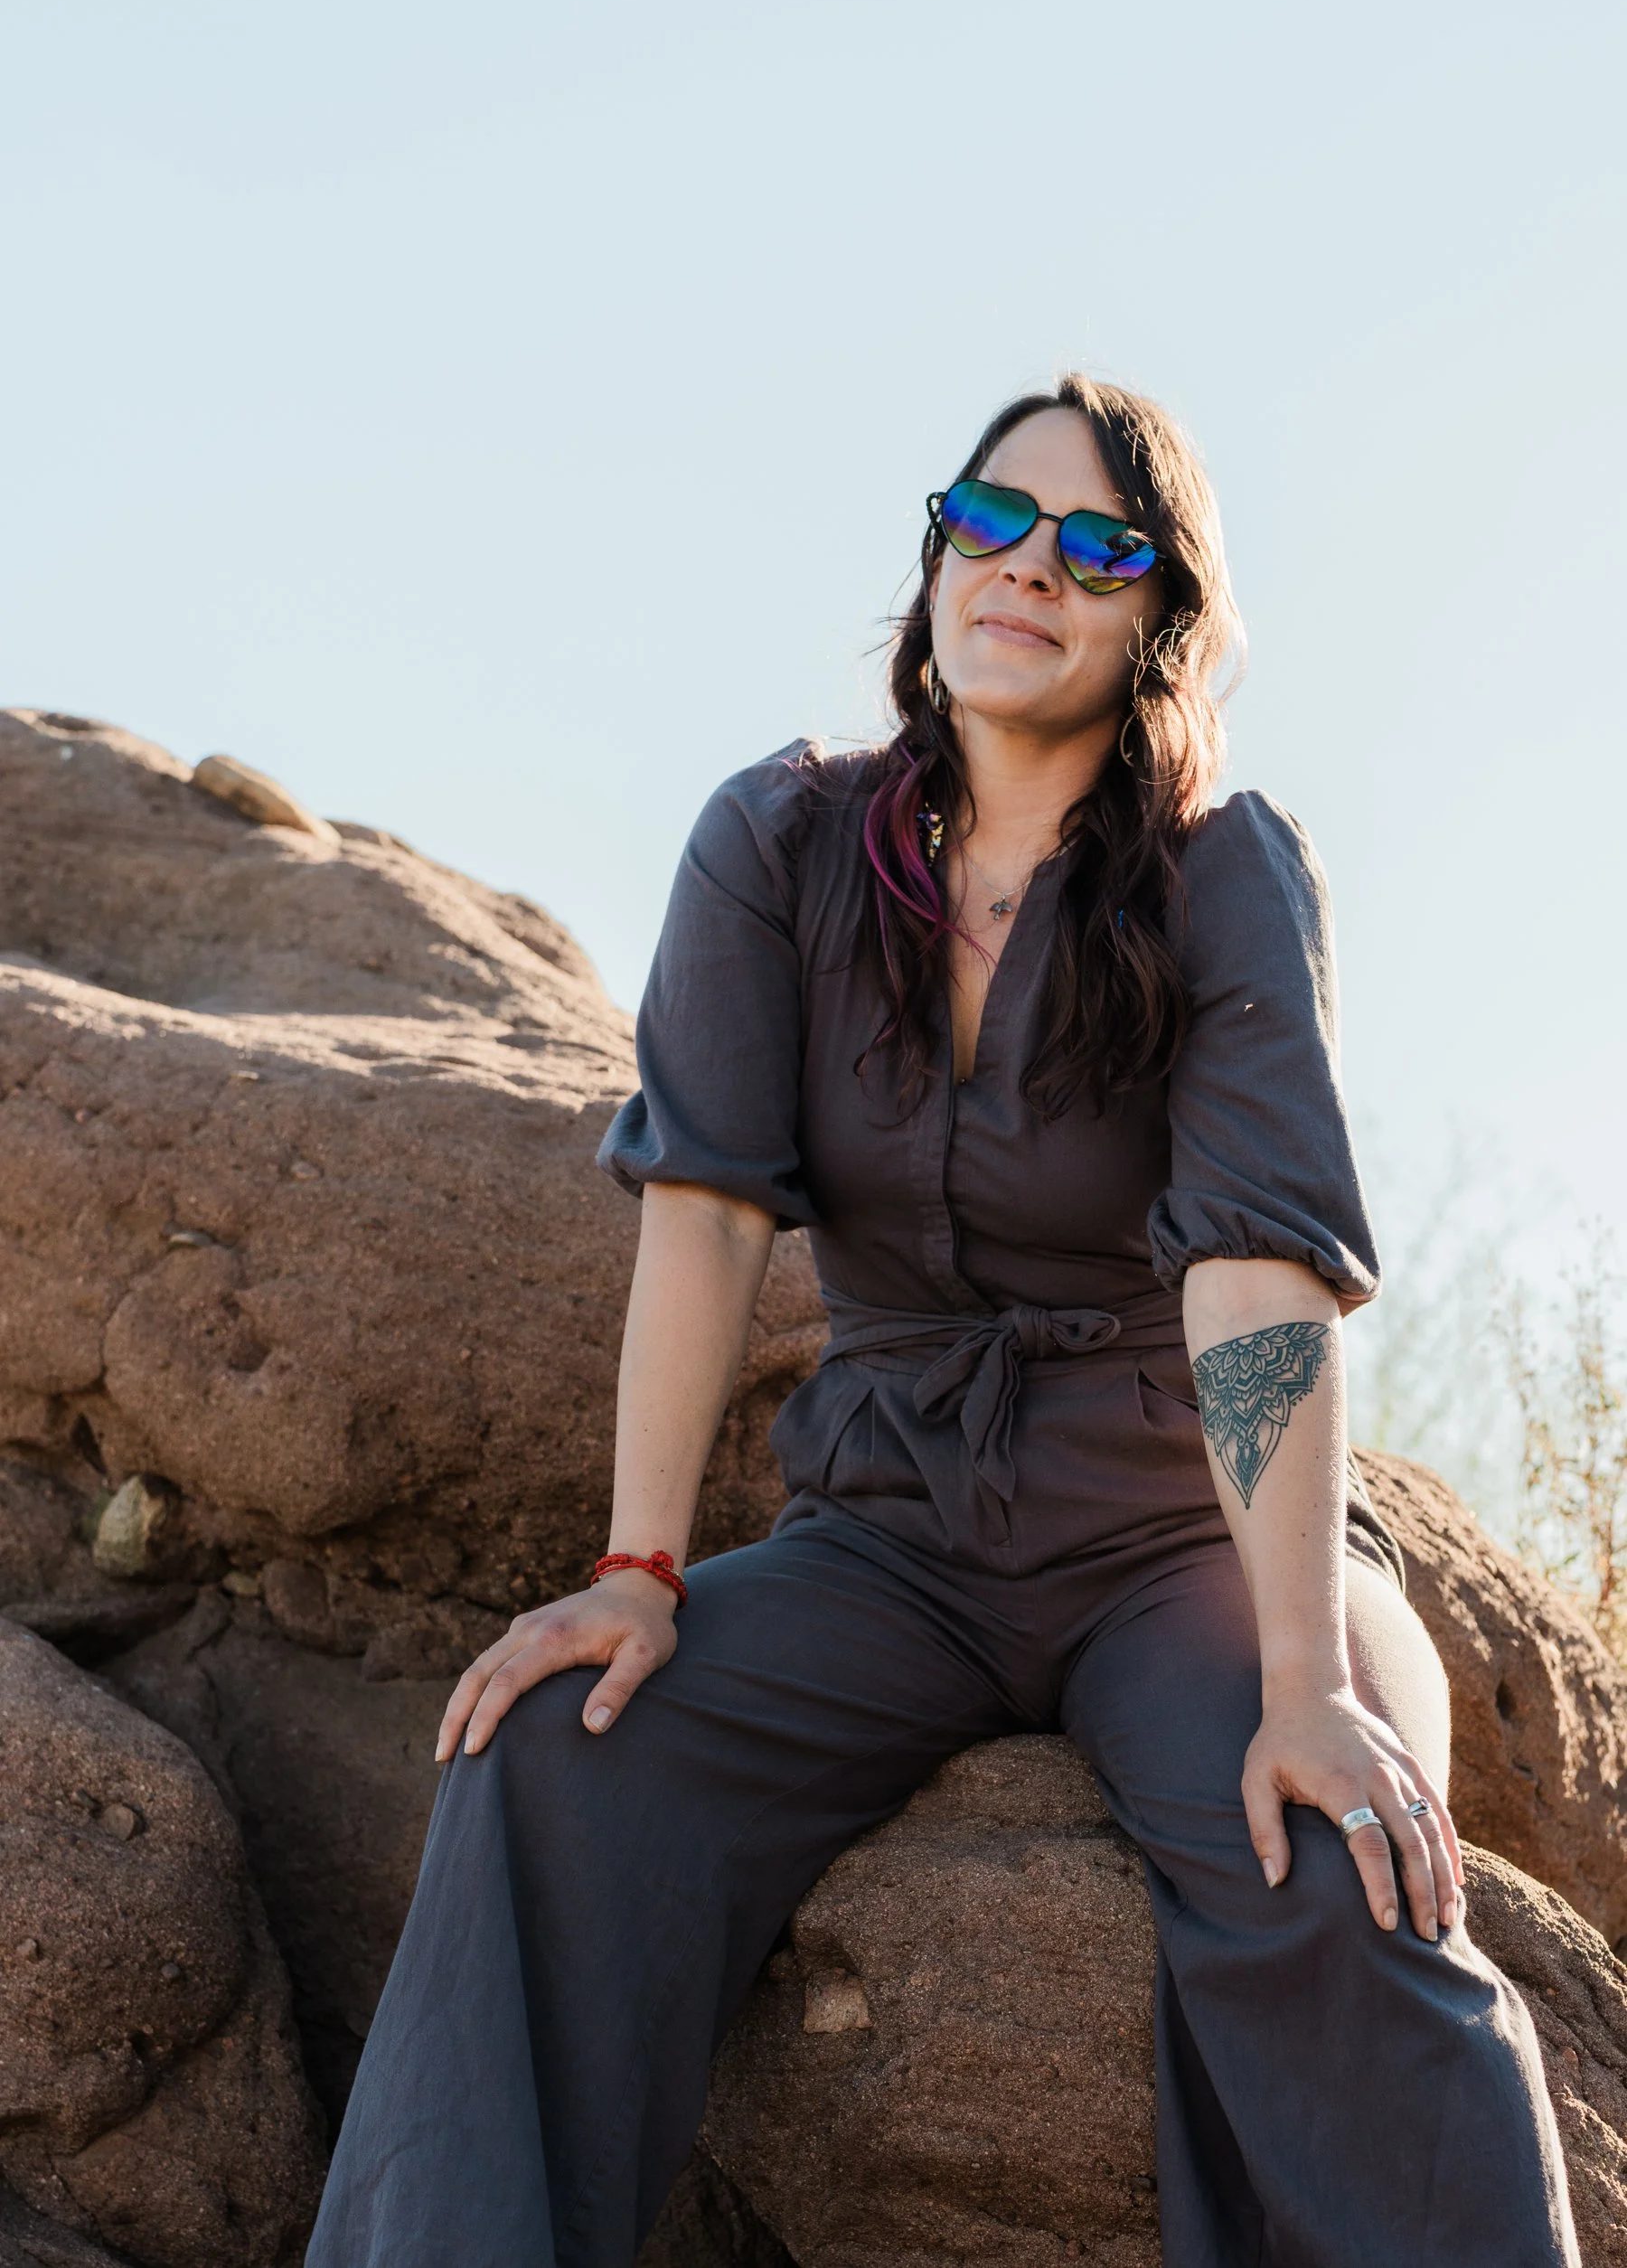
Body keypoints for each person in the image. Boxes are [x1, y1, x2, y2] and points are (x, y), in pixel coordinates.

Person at [307, 375, 1578, 2267]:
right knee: (555, 1759)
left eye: (1097, 548)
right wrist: (638, 1571)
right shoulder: (777, 843)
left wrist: (1308, 1677)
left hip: (1180, 1534)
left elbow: (1256, 1275)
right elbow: (705, 1211)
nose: (1028, 570)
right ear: (934, 560)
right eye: (989, 521)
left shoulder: (1226, 872)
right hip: (892, 1533)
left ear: (1162, 619)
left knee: (1337, 1863)